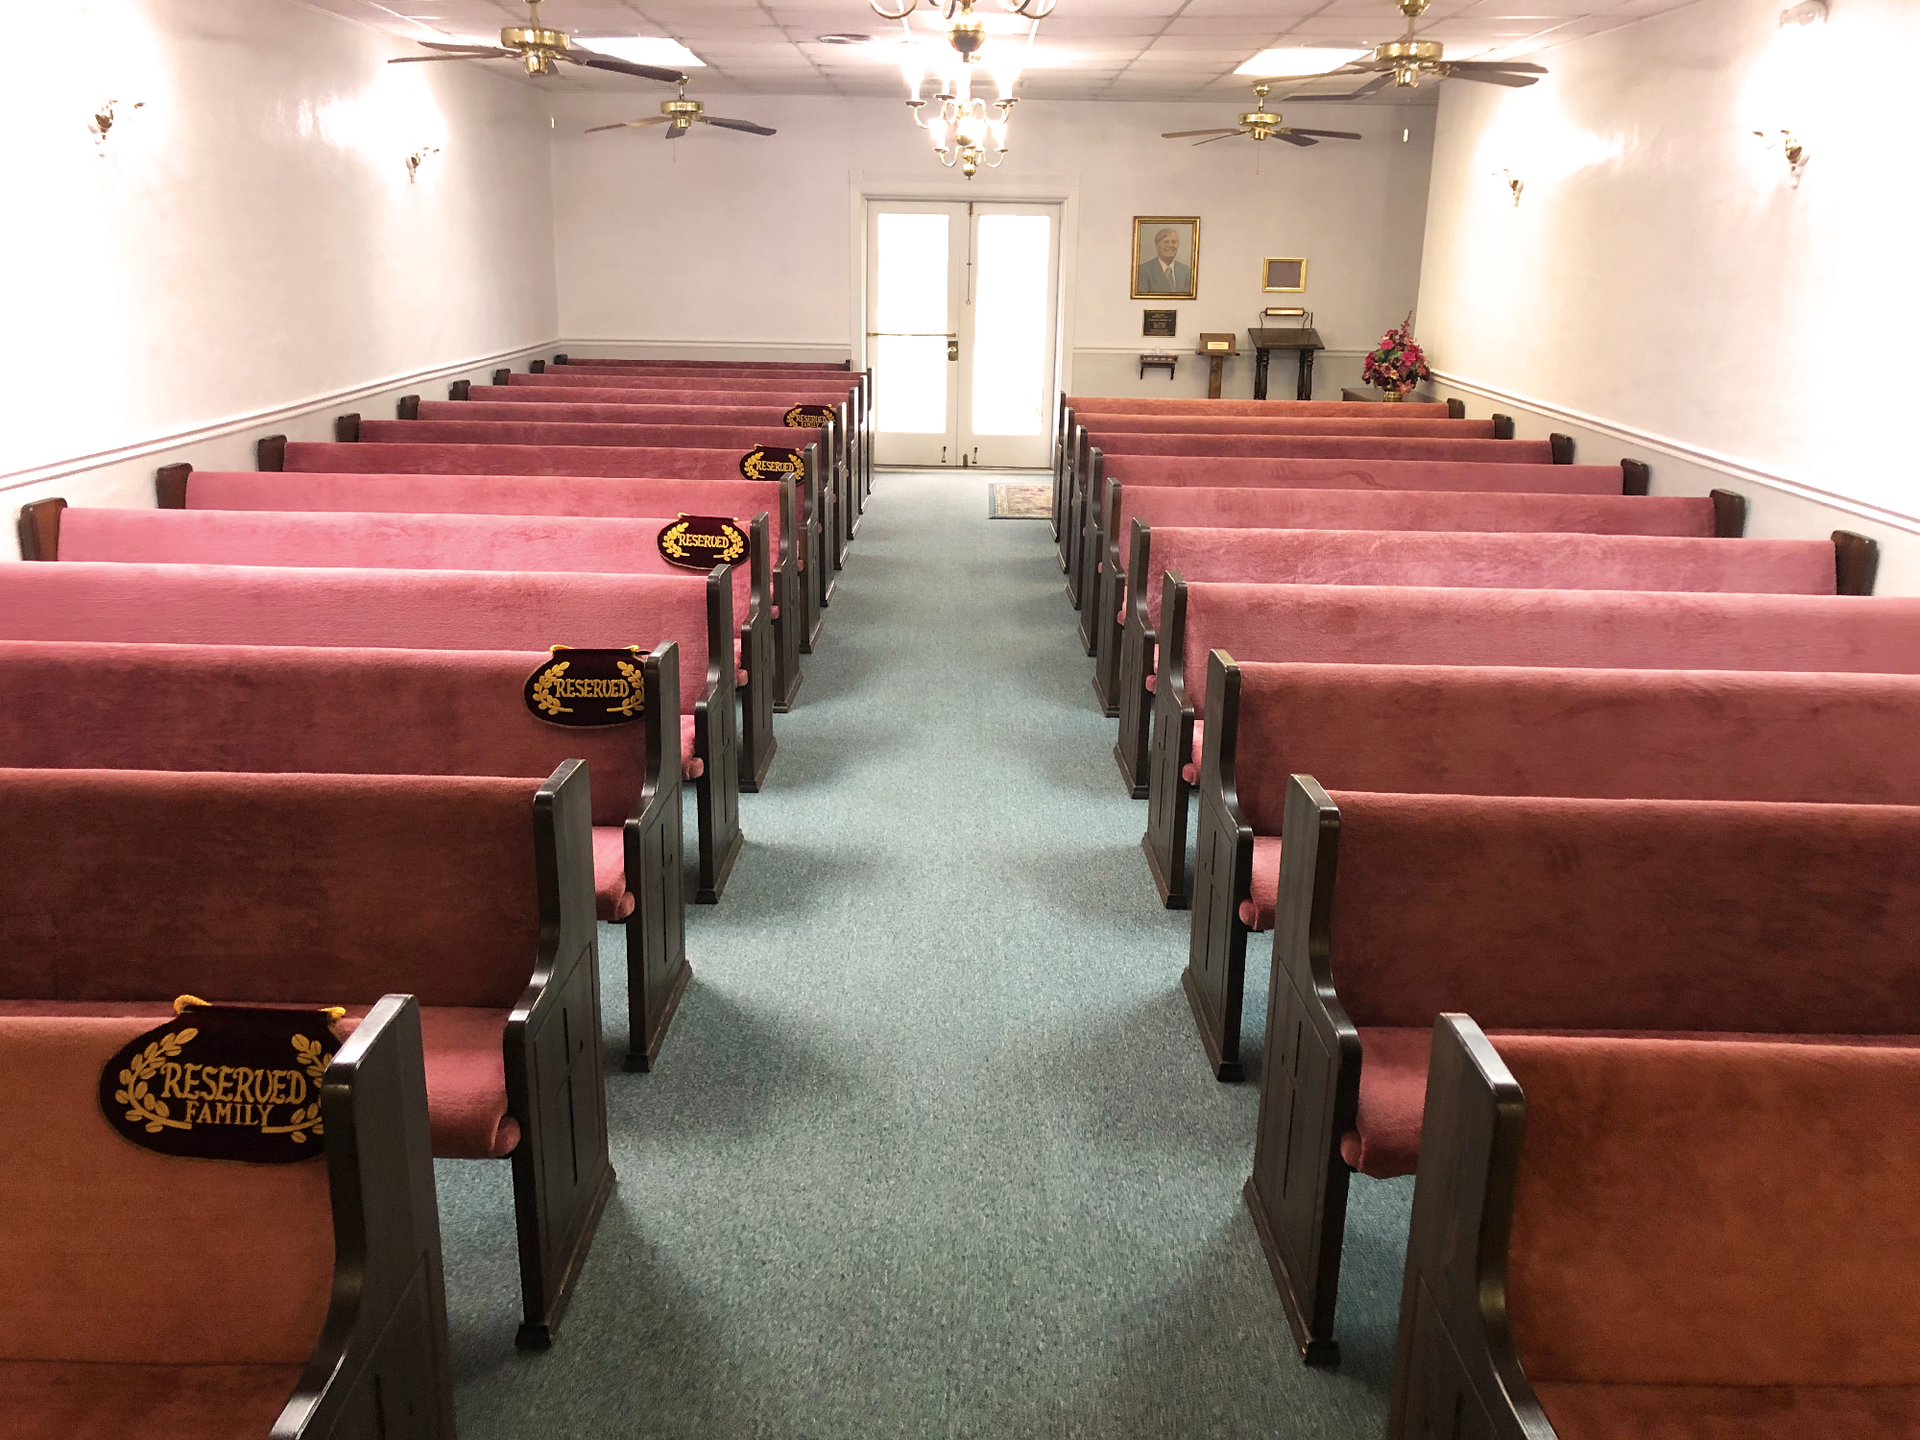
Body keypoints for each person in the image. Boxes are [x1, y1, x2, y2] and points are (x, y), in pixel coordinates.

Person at [1135, 226, 1192, 295]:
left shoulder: (1186, 270)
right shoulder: (1143, 270)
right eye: (1166, 242)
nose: (1170, 245)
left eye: (1174, 242)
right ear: (1157, 246)